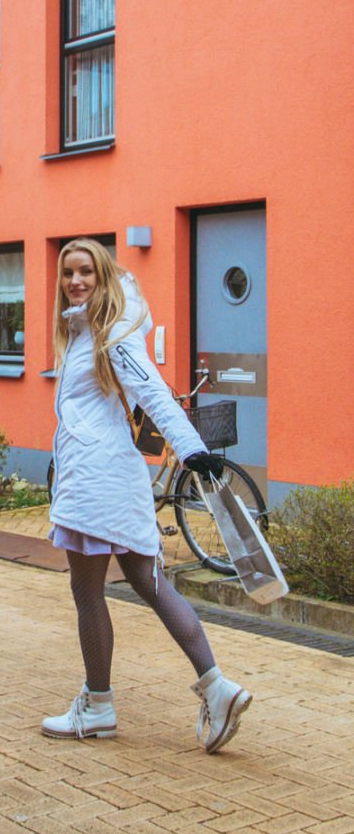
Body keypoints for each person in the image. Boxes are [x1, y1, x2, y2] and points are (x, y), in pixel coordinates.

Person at [42, 237, 252, 754]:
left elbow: (152, 391)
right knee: (147, 581)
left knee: (88, 593)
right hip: (115, 477)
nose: (75, 281)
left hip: (95, 482)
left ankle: (97, 707)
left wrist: (192, 449)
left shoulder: (111, 332)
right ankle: (217, 687)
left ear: (104, 274)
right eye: (68, 272)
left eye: (86, 271)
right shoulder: (85, 326)